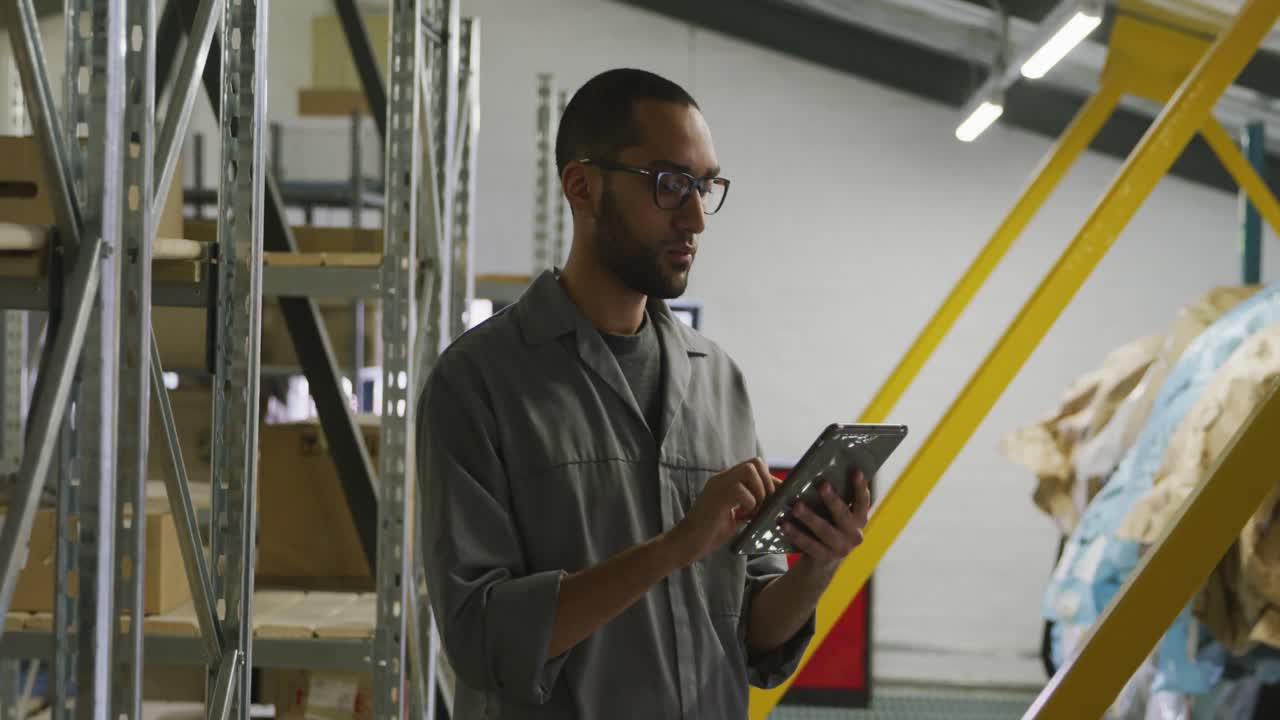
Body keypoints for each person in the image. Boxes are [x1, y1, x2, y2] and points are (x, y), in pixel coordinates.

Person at [417, 68, 871, 720]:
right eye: (669, 184)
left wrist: (817, 566)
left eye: (705, 186)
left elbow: (753, 634)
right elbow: (481, 639)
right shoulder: (479, 384)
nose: (695, 219)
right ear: (581, 186)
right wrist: (675, 546)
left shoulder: (720, 382)